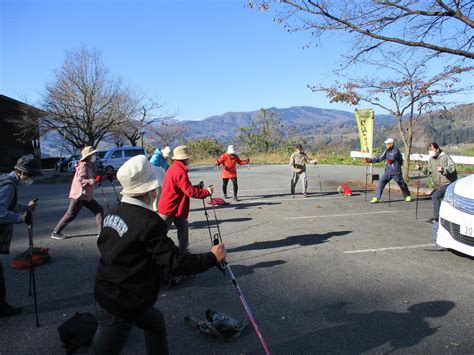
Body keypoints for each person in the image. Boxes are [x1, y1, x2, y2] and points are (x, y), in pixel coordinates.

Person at [90, 155, 226, 354]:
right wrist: (212, 258)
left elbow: (106, 245)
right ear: (150, 191)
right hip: (119, 304)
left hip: (112, 290)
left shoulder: (114, 211)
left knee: (155, 323)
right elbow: (175, 264)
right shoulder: (148, 222)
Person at [0, 155, 42, 317]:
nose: (31, 179)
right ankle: (1, 307)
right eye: (30, 175)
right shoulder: (9, 185)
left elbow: (9, 204)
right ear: (22, 173)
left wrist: (26, 207)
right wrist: (20, 218)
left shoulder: (5, 180)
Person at [158, 146, 213, 254]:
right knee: (159, 234)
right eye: (188, 158)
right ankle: (155, 256)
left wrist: (197, 187)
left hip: (176, 207)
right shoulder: (180, 171)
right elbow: (189, 191)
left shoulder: (174, 167)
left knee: (183, 230)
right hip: (170, 208)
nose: (189, 160)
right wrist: (206, 192)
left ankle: (183, 254)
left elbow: (183, 188)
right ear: (185, 159)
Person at [51, 146, 104, 240]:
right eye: (93, 154)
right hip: (79, 196)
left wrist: (97, 178)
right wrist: (93, 180)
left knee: (99, 210)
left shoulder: (88, 165)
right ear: (88, 156)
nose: (94, 156)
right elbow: (82, 180)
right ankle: (55, 232)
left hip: (85, 196)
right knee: (70, 215)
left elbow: (90, 178)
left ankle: (101, 233)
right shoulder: (83, 166)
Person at [416, 142, 457, 224]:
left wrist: (443, 170)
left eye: (432, 150)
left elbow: (452, 168)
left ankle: (437, 218)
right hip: (439, 184)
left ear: (437, 149)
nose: (431, 152)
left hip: (448, 183)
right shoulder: (431, 159)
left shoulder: (445, 157)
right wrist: (421, 168)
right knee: (436, 195)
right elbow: (429, 172)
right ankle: (442, 215)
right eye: (429, 151)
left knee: (435, 196)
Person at [366, 138, 412, 203]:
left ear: (391, 144)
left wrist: (391, 160)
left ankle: (407, 196)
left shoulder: (396, 150)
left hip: (396, 172)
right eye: (386, 144)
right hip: (387, 172)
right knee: (381, 182)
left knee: (401, 184)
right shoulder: (386, 151)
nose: (386, 145)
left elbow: (394, 156)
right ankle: (376, 197)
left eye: (387, 144)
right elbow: (380, 158)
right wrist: (370, 160)